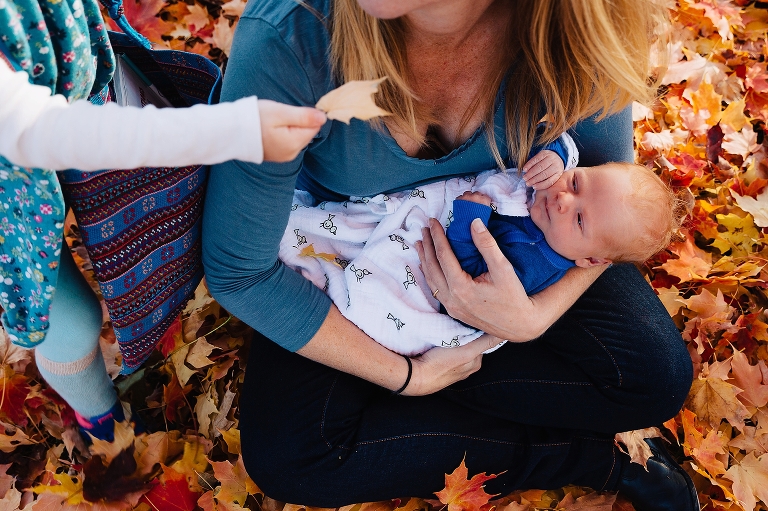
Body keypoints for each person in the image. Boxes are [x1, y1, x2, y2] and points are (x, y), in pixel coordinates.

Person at [202, 0, 698, 510]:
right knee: (295, 457)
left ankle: (413, 416)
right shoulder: (292, 37)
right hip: (353, 255)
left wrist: (530, 319)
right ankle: (590, 460)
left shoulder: (574, 21)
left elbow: (601, 185)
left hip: (532, 234)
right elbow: (241, 272)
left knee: (653, 377)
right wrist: (407, 374)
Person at [0, 0, 326, 441]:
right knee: (70, 321)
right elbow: (53, 133)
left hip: (58, 80)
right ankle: (99, 414)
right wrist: (230, 130)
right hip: (11, 197)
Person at [279, 142, 682, 356]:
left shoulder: (533, 263)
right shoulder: (552, 190)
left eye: (579, 220)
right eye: (576, 184)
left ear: (590, 261)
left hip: (436, 265)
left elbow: (470, 273)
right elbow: (569, 144)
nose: (562, 199)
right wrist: (556, 158)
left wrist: (471, 217)